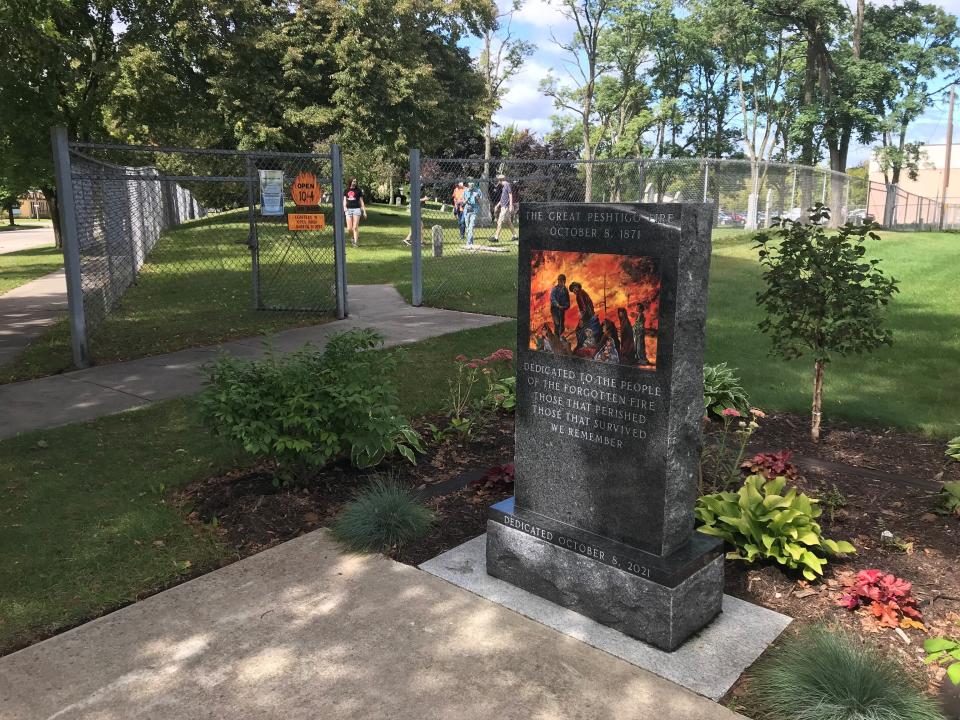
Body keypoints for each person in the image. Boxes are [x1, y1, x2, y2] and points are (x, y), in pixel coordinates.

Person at [569, 281, 601, 351]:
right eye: (573, 290)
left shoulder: (579, 295)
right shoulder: (583, 292)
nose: (574, 291)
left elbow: (583, 307)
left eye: (574, 288)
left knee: (578, 330)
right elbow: (590, 304)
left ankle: (580, 346)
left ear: (577, 287)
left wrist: (582, 318)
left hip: (587, 315)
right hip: (590, 313)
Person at [491, 173, 515, 243]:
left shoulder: (507, 184)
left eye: (498, 180)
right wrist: (498, 205)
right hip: (503, 206)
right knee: (508, 222)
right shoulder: (504, 186)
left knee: (500, 221)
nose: (498, 182)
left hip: (506, 207)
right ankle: (515, 235)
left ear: (500, 180)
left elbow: (510, 195)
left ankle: (496, 237)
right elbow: (502, 198)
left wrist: (510, 205)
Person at [343, 178, 366, 247]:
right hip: (348, 210)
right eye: (353, 181)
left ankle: (355, 243)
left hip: (357, 209)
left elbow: (361, 201)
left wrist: (364, 212)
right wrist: (344, 207)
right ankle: (353, 237)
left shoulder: (358, 191)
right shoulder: (346, 190)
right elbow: (344, 200)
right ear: (350, 182)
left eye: (355, 181)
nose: (354, 182)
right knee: (349, 228)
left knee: (355, 227)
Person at [462, 181, 482, 247]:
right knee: (467, 227)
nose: (471, 188)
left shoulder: (478, 190)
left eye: (472, 187)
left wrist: (477, 197)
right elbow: (463, 202)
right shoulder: (465, 191)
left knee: (471, 226)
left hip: (474, 210)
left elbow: (480, 202)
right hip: (467, 210)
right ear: (468, 185)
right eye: (470, 187)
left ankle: (468, 243)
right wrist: (466, 200)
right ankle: (471, 242)